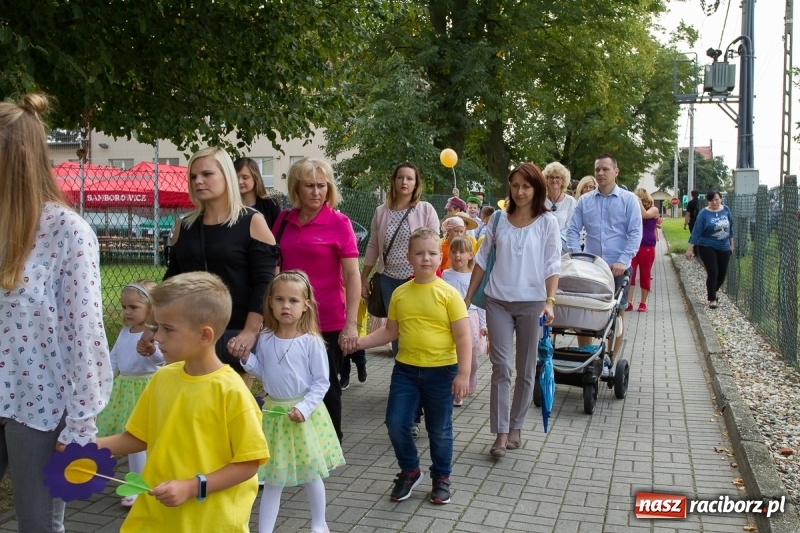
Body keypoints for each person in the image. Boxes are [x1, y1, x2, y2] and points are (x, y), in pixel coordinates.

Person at [0, 93, 113, 533]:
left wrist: (81, 423)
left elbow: (84, 333)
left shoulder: (67, 232)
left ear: (16, 156)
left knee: (38, 525)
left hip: (39, 405)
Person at [98, 272, 269, 532]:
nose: (156, 337)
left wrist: (192, 487)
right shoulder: (162, 378)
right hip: (155, 516)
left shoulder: (232, 392)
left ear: (204, 335)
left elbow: (249, 462)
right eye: (156, 327)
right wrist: (92, 445)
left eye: (167, 329)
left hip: (209, 523)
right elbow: (139, 436)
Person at [346, 227, 471, 505]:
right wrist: (359, 343)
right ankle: (410, 470)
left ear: (440, 257)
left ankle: (441, 477)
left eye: (432, 253)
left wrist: (463, 374)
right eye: (419, 253)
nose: (425, 258)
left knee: (439, 429)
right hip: (406, 371)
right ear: (409, 257)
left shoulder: (449, 294)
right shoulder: (400, 294)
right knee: (395, 422)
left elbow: (463, 336)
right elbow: (390, 331)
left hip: (442, 372)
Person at [142, 147, 278, 379]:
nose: (198, 181)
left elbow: (264, 284)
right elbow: (171, 282)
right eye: (193, 176)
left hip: (234, 335)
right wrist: (151, 326)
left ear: (226, 175)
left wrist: (250, 331)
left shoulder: (252, 222)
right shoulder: (184, 226)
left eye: (207, 174)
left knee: (227, 397)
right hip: (188, 331)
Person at [465, 162, 560, 458]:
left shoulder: (547, 222)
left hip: (533, 303)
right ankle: (501, 432)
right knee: (502, 367)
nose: (520, 192)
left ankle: (517, 425)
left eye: (526, 186)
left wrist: (550, 301)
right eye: (515, 185)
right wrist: (466, 298)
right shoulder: (498, 220)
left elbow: (552, 264)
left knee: (526, 368)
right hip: (498, 301)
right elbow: (481, 260)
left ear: (536, 188)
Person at [240, 271, 344, 533]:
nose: (286, 306)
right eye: (280, 299)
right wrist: (247, 360)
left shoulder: (311, 342)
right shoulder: (265, 337)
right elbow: (265, 372)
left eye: (293, 300)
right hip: (275, 415)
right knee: (273, 479)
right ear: (270, 302)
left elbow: (321, 382)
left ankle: (319, 523)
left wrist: (303, 408)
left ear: (305, 305)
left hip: (302, 417)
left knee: (311, 473)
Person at [274, 157, 360, 442]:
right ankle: (299, 441)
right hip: (289, 317)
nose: (316, 192)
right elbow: (274, 267)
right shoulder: (283, 221)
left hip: (327, 319)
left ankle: (331, 442)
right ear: (296, 189)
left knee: (325, 385)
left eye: (321, 186)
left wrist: (351, 324)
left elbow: (352, 276)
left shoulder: (339, 223)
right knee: (293, 382)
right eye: (309, 186)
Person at [567, 153, 642, 378]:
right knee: (583, 312)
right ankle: (585, 358)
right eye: (597, 169)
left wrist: (623, 260)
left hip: (617, 268)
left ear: (615, 172)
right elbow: (572, 230)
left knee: (616, 314)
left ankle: (610, 359)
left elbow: (635, 233)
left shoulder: (629, 200)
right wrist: (578, 257)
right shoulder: (585, 201)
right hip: (590, 268)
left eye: (605, 169)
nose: (600, 173)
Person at [96, 280, 165, 508]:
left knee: (144, 438)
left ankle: (144, 484)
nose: (127, 312)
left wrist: (152, 351)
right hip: (125, 391)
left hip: (147, 389)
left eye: (134, 307)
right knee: (132, 437)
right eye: (124, 307)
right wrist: (103, 379)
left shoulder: (154, 335)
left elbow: (162, 361)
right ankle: (138, 485)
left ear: (151, 308)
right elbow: (114, 359)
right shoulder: (125, 333)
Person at [360, 162, 440, 356]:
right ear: (394, 181)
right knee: (395, 330)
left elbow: (435, 245)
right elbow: (373, 245)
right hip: (389, 280)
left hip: (418, 280)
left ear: (416, 184)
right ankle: (402, 366)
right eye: (400, 177)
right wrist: (364, 277)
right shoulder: (381, 212)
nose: (404, 182)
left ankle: (423, 365)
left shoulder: (425, 209)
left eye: (409, 178)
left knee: (420, 325)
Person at [441, 237, 487, 405]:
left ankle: (470, 376)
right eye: (453, 252)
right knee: (454, 355)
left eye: (461, 252)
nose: (457, 255)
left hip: (470, 319)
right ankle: (457, 393)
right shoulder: (445, 275)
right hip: (450, 320)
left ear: (470, 255)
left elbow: (480, 304)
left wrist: (484, 325)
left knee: (470, 357)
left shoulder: (474, 276)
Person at [686, 189, 734, 309]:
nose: (714, 202)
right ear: (708, 201)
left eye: (716, 199)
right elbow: (696, 232)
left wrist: (731, 244)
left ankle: (713, 290)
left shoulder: (726, 210)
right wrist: (690, 249)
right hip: (707, 245)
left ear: (721, 199)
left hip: (724, 246)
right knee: (713, 271)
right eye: (711, 200)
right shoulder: (704, 213)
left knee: (722, 273)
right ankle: (712, 299)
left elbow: (731, 228)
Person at [627, 189, 660, 312]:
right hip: (633, 245)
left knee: (645, 274)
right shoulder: (633, 209)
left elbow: (645, 215)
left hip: (647, 246)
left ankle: (643, 302)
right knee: (630, 274)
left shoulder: (654, 209)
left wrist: (637, 201)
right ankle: (629, 301)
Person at [234, 157, 282, 229]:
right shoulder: (228, 207)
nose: (240, 182)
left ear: (255, 178)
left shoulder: (270, 205)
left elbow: (278, 232)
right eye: (236, 178)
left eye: (245, 177)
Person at [542, 161, 577, 254]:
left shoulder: (571, 201)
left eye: (558, 177)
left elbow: (571, 228)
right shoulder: (540, 200)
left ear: (563, 180)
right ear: (546, 180)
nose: (554, 180)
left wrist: (555, 240)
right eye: (551, 177)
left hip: (563, 246)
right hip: (542, 244)